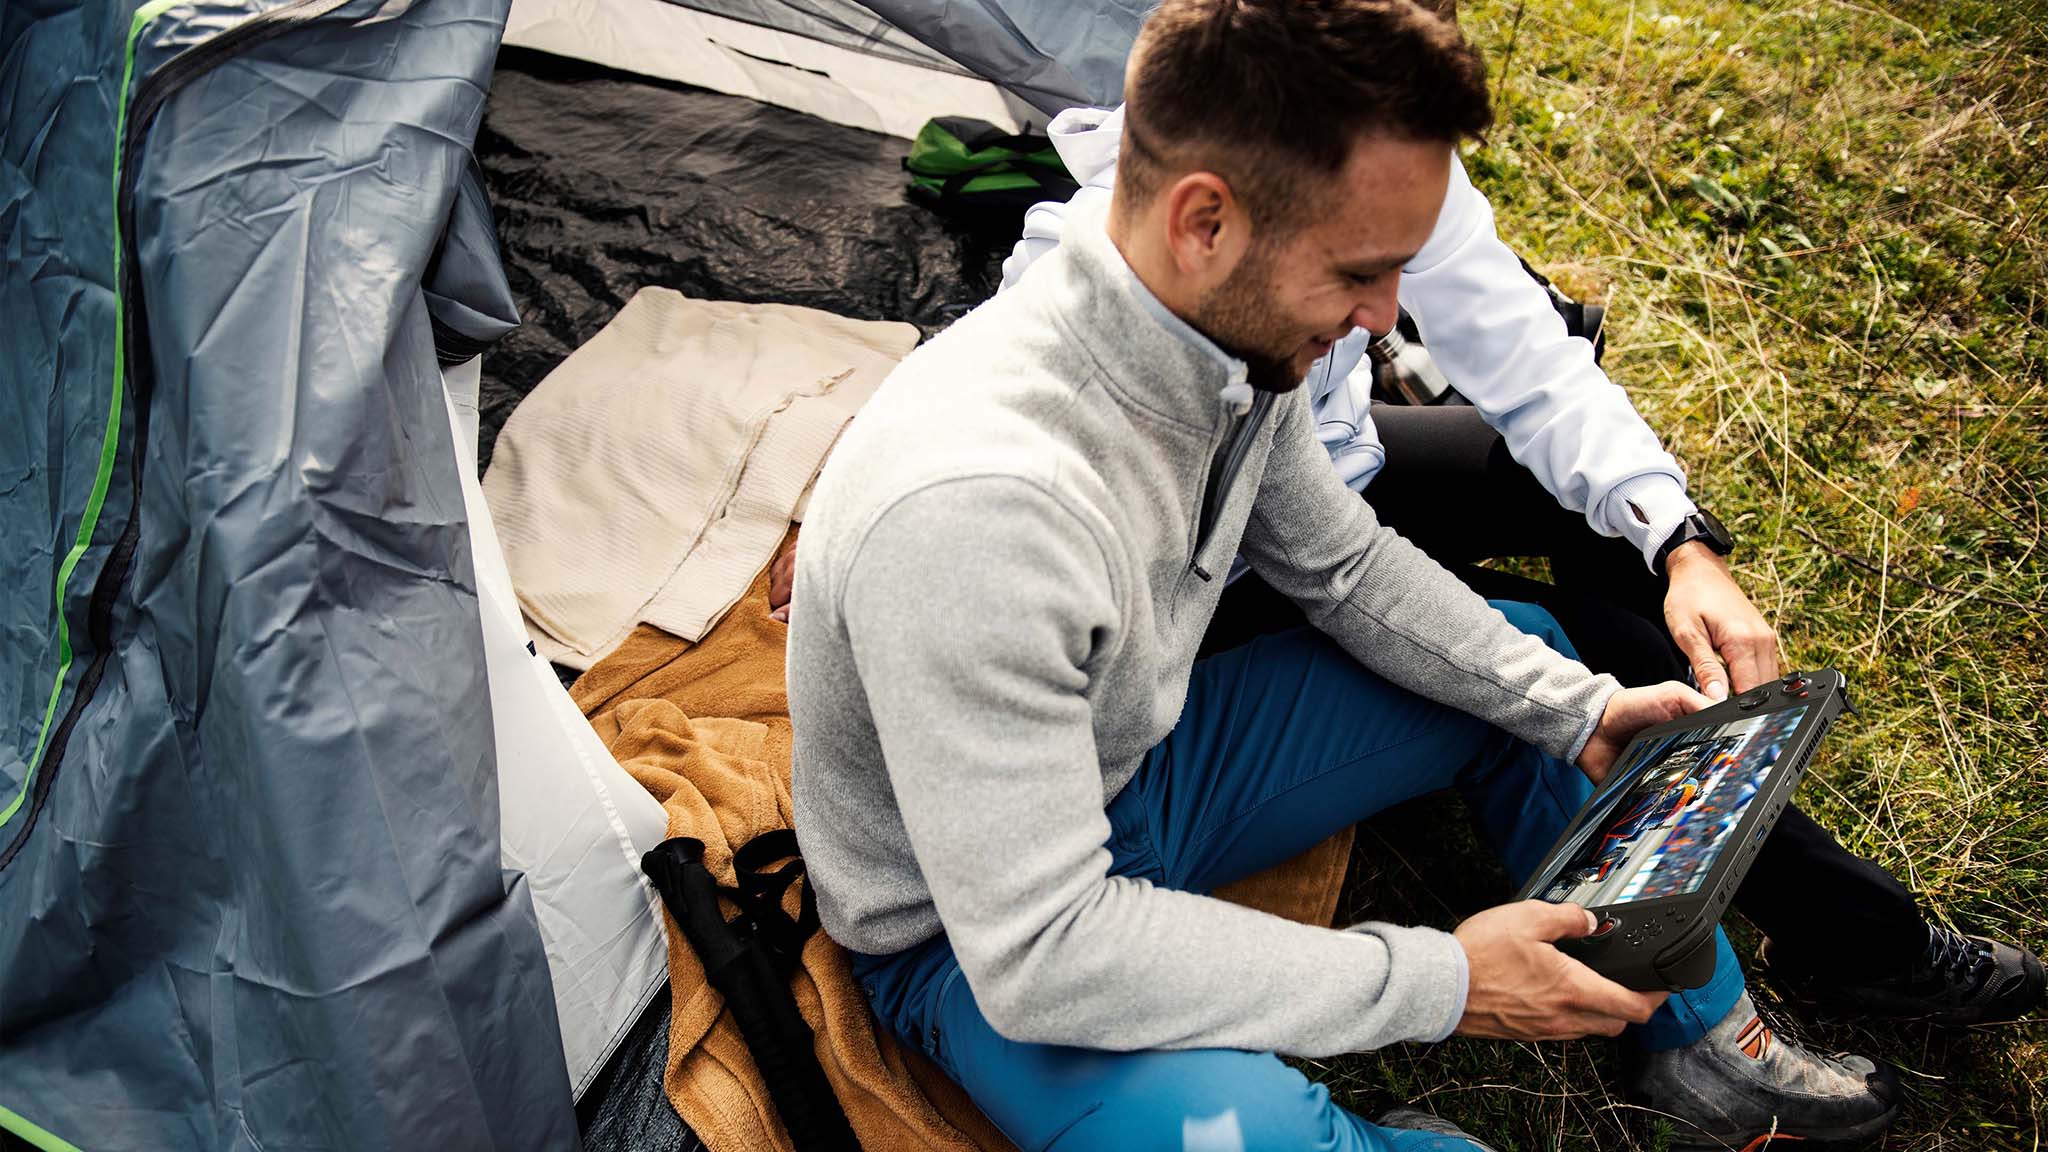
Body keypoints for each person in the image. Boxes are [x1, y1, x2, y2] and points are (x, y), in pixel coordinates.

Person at [785, 2, 1930, 1146]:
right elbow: (1040, 952)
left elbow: (1337, 561)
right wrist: (1438, 981)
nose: (1386, 320)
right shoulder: (980, 512)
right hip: (974, 946)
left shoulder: (1213, 343)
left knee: (1521, 663)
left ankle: (1697, 1031)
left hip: (1137, 777)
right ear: (1204, 222)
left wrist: (1573, 707)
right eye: (1360, 273)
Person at [983, 0, 2043, 1033]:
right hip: (1225, 587)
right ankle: (1787, 926)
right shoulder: (1100, 359)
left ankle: (1731, 832)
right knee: (1551, 635)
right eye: (1361, 273)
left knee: (1587, 518)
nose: (1390, 315)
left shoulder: (1365, 140)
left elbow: (1528, 365)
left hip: (1324, 495)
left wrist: (1677, 541)